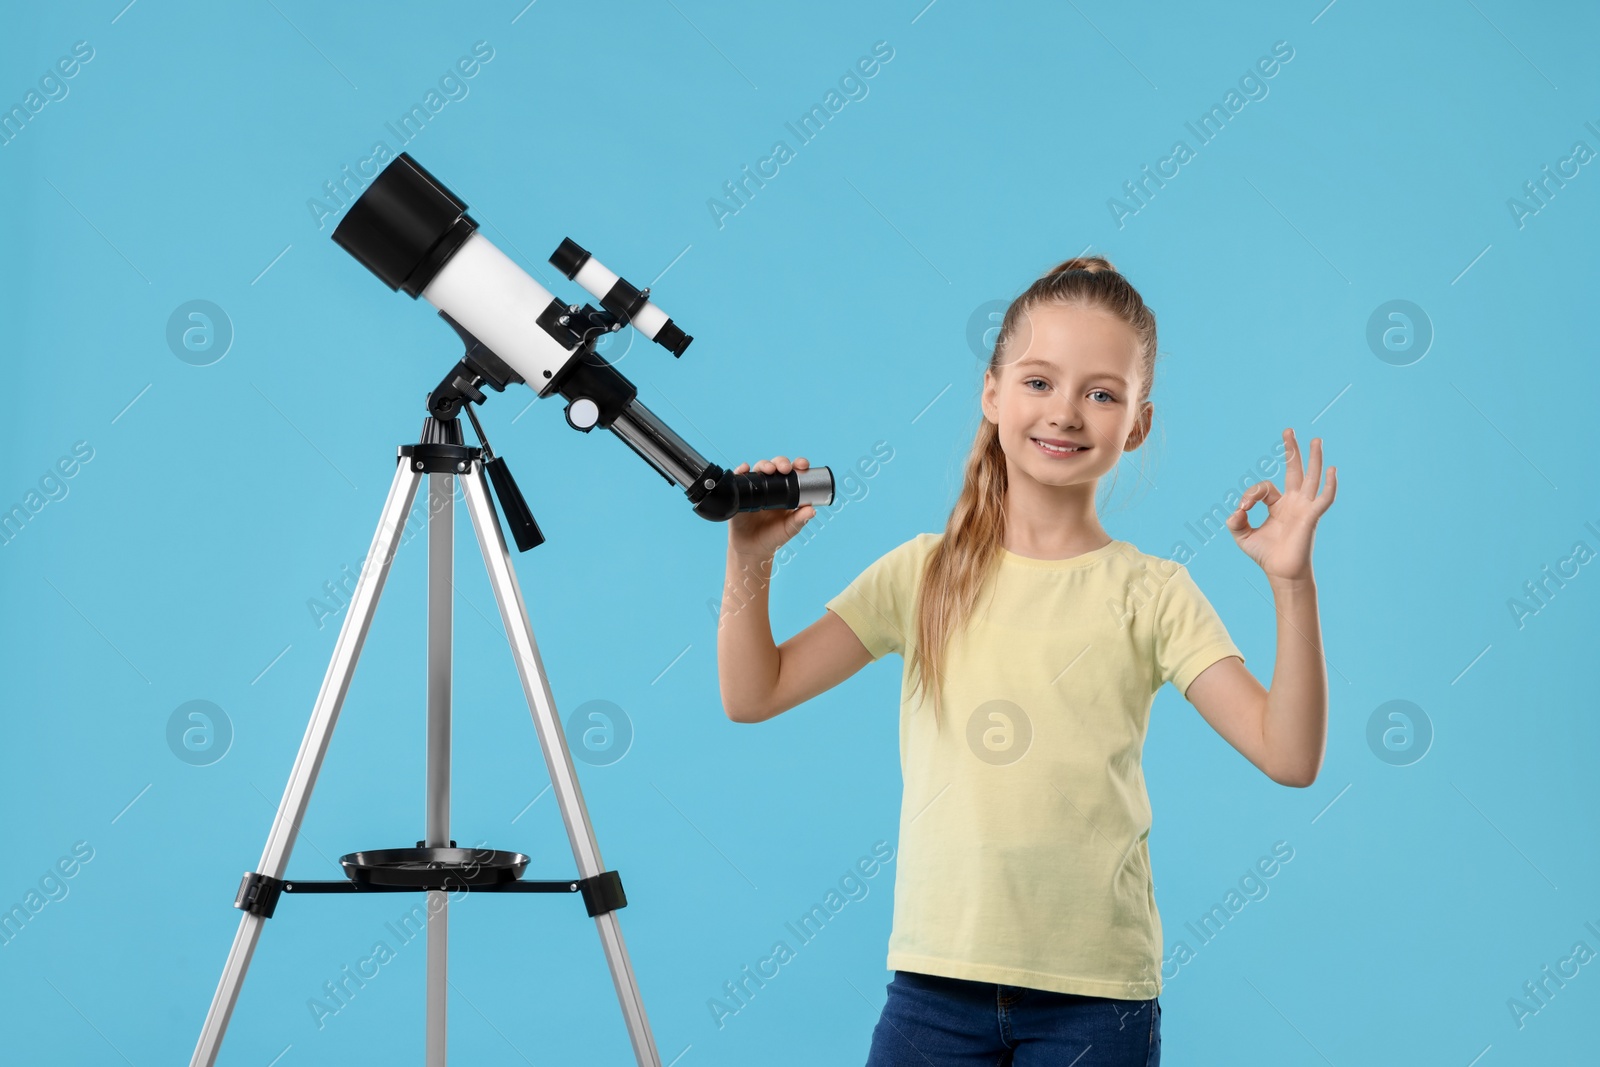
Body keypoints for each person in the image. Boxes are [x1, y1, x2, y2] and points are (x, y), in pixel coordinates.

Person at [715, 256, 1337, 1066]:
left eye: (1102, 393)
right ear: (992, 392)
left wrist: (1292, 585)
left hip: (1096, 1002)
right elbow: (752, 692)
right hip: (934, 988)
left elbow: (1289, 756)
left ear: (1137, 424)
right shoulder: (922, 572)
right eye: (1039, 381)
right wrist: (747, 562)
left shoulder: (1153, 592)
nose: (1067, 412)